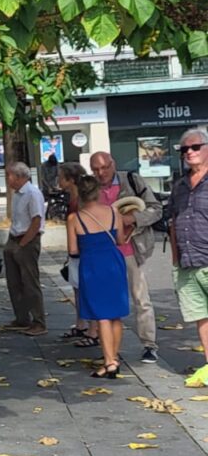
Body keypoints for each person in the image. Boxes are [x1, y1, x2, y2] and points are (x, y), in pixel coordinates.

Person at [90, 151, 162, 364]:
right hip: (104, 253)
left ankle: (149, 345)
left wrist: (134, 218)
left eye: (104, 168)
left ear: (113, 164)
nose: (100, 173)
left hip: (131, 250)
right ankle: (111, 350)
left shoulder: (131, 181)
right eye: (95, 169)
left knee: (141, 299)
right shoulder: (91, 187)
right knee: (108, 302)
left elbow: (156, 209)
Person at [67, 175, 130, 378]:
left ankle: (109, 361)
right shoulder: (114, 212)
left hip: (92, 265)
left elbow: (73, 250)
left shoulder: (74, 219)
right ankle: (114, 358)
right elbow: (120, 240)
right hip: (114, 263)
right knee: (115, 313)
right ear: (98, 191)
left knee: (101, 314)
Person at [169, 127, 208, 387]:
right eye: (185, 149)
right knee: (202, 318)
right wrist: (175, 257)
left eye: (195, 147)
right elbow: (173, 221)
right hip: (186, 262)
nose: (189, 153)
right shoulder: (180, 185)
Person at [56, 163, 100, 349]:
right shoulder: (74, 199)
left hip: (82, 251)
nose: (58, 180)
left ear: (71, 180)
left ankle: (92, 330)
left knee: (85, 290)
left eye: (61, 177)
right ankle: (82, 324)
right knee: (77, 288)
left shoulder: (78, 202)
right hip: (81, 251)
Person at [3, 161, 47, 336]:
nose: (7, 179)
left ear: (19, 176)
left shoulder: (32, 193)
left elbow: (36, 221)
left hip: (27, 240)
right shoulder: (17, 194)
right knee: (14, 281)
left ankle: (39, 321)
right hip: (14, 237)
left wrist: (23, 244)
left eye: (9, 175)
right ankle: (21, 318)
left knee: (30, 282)